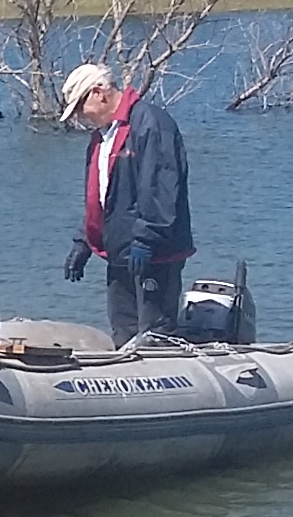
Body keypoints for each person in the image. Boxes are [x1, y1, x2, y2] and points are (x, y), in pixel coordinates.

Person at [58, 62, 196, 345]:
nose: (80, 117)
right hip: (120, 254)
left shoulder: (151, 124)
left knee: (156, 335)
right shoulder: (102, 136)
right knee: (124, 332)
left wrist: (146, 239)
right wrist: (84, 240)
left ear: (99, 93)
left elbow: (161, 189)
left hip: (155, 254)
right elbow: (102, 195)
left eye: (81, 108)